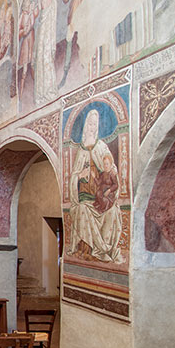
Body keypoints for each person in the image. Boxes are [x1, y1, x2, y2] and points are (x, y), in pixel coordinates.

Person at [67, 109, 123, 263]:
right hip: (85, 195)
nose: (92, 127)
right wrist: (80, 175)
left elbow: (112, 169)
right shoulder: (81, 151)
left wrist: (106, 181)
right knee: (83, 209)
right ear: (85, 126)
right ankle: (86, 250)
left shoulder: (102, 147)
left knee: (112, 212)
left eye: (94, 124)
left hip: (100, 193)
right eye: (89, 124)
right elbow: (73, 176)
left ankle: (103, 249)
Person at [34, 0, 60, 105]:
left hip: (50, 16)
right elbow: (38, 6)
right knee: (41, 53)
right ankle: (41, 92)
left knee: (48, 51)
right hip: (44, 17)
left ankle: (49, 89)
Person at [17, 0, 39, 100]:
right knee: (25, 67)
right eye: (27, 1)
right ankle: (20, 94)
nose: (28, 3)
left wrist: (33, 11)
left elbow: (35, 15)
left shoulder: (31, 12)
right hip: (26, 41)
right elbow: (19, 31)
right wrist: (24, 31)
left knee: (33, 62)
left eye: (29, 1)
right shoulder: (22, 15)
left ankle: (36, 89)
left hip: (32, 38)